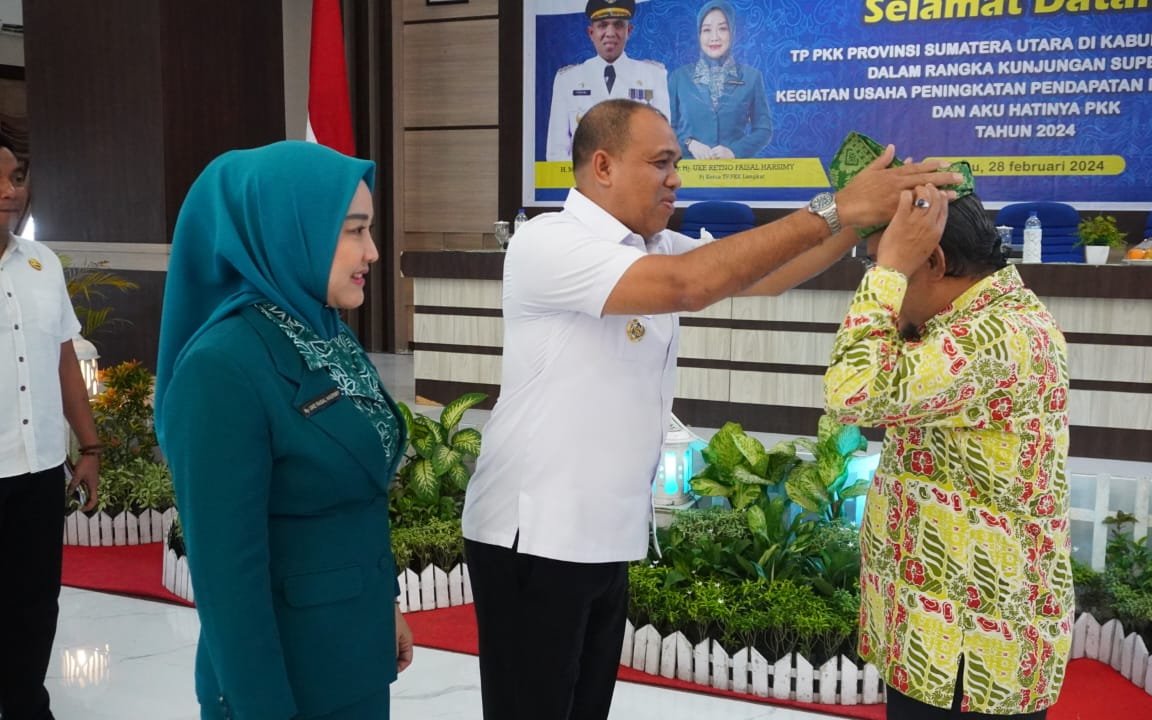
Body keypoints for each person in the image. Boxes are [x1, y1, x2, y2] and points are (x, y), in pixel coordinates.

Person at [462, 97, 962, 720]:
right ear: (602, 166)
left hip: (602, 534)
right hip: (534, 537)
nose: (676, 177)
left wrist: (864, 223)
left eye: (678, 162)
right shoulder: (549, 243)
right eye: (660, 162)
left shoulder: (655, 244)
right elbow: (687, 285)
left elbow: (771, 272)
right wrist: (836, 206)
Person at [154, 141, 413, 720]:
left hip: (353, 658)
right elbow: (228, 583)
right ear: (285, 229)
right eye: (353, 230)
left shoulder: (324, 333)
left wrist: (382, 604)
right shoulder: (222, 367)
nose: (372, 250)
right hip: (284, 686)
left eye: (368, 229)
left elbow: (357, 496)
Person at [824, 193, 1073, 719]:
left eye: (881, 265)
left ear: (933, 262)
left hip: (969, 643)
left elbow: (852, 392)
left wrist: (890, 268)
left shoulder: (994, 336)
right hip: (944, 631)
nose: (881, 283)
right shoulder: (977, 320)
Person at [0, 138, 101, 720]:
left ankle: (27, 705)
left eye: (16, 176)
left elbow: (65, 361)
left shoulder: (43, 265)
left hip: (39, 468)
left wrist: (88, 446)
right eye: (0, 178)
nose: (11, 190)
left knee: (36, 602)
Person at [545, 0, 670, 162]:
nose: (610, 33)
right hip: (586, 182)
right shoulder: (567, 80)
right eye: (603, 25)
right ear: (591, 33)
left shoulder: (654, 75)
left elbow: (662, 143)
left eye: (618, 25)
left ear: (629, 31)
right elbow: (556, 153)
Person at [668, 1, 773, 160]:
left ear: (732, 32)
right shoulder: (678, 78)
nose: (714, 37)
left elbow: (763, 130)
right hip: (689, 177)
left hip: (735, 176)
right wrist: (688, 143)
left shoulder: (752, 77)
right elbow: (664, 128)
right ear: (699, 35)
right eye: (707, 30)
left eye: (722, 29)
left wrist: (734, 151)